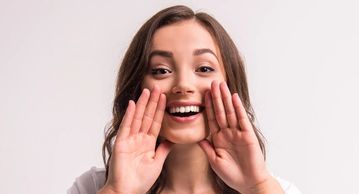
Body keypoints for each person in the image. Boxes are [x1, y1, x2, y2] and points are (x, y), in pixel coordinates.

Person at [68, 5, 301, 194]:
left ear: (231, 85)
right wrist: (118, 191)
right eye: (161, 70)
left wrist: (257, 187)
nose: (183, 86)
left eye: (204, 68)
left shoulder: (276, 190)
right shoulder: (92, 188)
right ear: (137, 87)